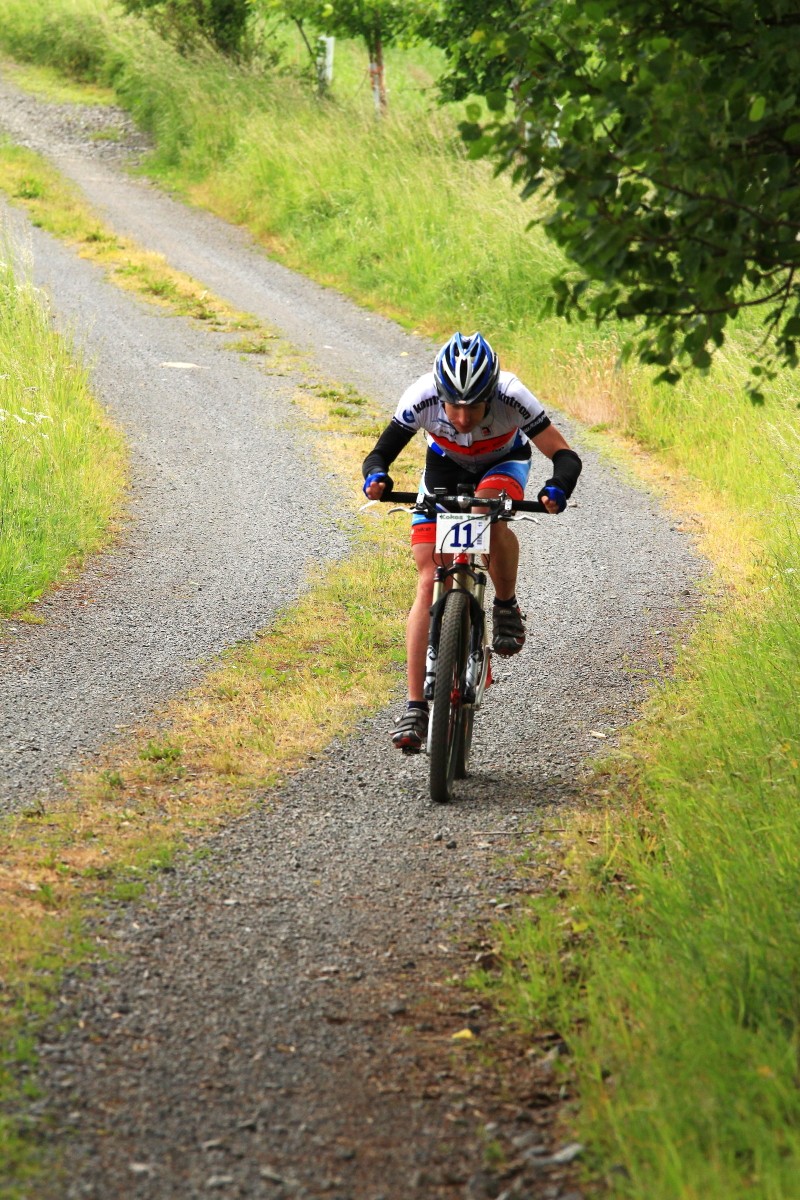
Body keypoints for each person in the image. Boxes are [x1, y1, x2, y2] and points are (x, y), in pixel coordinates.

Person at [362, 331, 582, 752]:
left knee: (488, 509)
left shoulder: (513, 395)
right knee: (428, 577)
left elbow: (564, 454)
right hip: (443, 467)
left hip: (503, 463)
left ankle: (504, 605)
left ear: (491, 395)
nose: (463, 419)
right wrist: (377, 478)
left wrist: (558, 487)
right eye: (453, 407)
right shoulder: (421, 395)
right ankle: (414, 705)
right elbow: (379, 454)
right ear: (439, 394)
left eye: (475, 408)